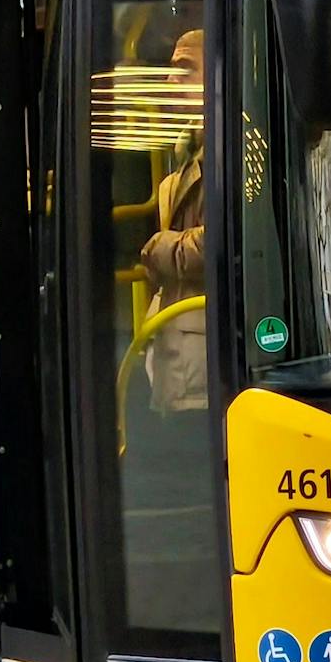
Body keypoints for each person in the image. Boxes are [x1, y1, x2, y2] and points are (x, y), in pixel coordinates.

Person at [139, 28, 208, 412]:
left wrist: (158, 248)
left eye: (184, 69)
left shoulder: (232, 150)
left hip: (202, 369)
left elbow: (229, 242)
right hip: (179, 355)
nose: (169, 81)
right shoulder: (184, 154)